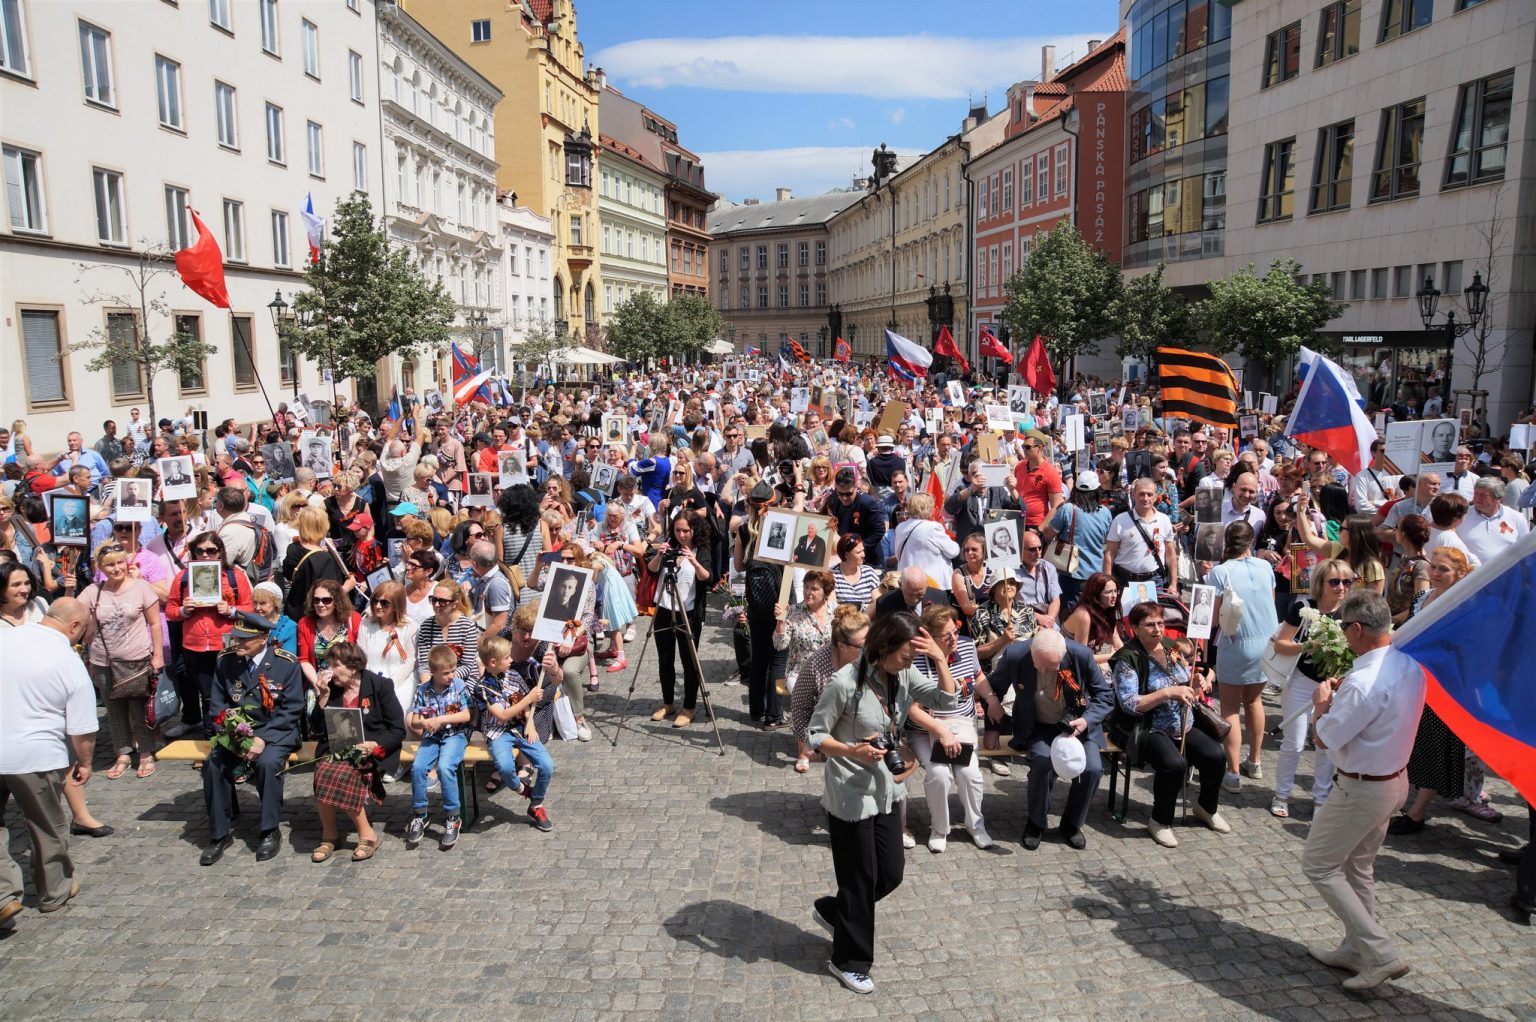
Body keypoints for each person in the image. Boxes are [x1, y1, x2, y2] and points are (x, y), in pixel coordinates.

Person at [806, 612, 957, 995]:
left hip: (888, 789)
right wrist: (852, 751)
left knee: (890, 872)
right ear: (883, 648)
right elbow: (815, 734)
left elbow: (945, 698)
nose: (909, 662)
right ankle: (848, 961)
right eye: (905, 655)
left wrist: (939, 659)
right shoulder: (844, 684)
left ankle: (836, 912)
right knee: (859, 881)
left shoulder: (903, 675)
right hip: (851, 794)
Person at [1302, 590, 1425, 991]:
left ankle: (1381, 952)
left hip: (1363, 787)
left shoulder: (1364, 682)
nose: (1343, 634)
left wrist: (1322, 705)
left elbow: (1325, 738)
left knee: (1319, 864)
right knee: (1358, 867)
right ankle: (1356, 949)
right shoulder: (1407, 663)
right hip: (1392, 780)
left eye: (1344, 628)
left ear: (1357, 629)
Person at [1, 599, 97, 924]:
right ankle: (54, 891)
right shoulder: (67, 660)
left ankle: (2, 895)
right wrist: (84, 763)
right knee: (46, 825)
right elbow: (83, 728)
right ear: (74, 628)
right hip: (35, 754)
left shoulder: (7, 636)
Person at [1110, 601, 1228, 848]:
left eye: (1160, 623)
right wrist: (1167, 693)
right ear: (1134, 628)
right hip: (1146, 726)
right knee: (1174, 765)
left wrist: (1196, 682)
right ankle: (1160, 821)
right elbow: (1130, 703)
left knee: (1215, 755)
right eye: (1150, 624)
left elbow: (1184, 680)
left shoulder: (1168, 646)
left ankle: (1206, 807)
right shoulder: (1127, 659)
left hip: (1182, 720)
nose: (1157, 629)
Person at [200, 612, 305, 866]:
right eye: (236, 637)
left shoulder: (285, 663)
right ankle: (219, 834)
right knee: (212, 765)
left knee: (268, 764)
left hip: (276, 731)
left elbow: (292, 710)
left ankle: (269, 830)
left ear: (263, 639)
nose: (238, 643)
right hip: (236, 732)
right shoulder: (225, 661)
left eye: (245, 639)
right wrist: (236, 737)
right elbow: (217, 706)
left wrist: (262, 739)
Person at [995, 628, 1112, 850]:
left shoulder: (1081, 655)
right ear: (1031, 651)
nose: (1046, 672)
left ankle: (1071, 824)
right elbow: (993, 689)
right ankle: (1036, 822)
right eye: (1040, 666)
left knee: (1092, 769)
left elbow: (1104, 696)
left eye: (1052, 667)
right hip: (1037, 725)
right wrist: (992, 729)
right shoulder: (1015, 655)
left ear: (1064, 653)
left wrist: (1087, 720)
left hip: (1077, 725)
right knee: (1042, 762)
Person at [1386, 548, 1475, 835]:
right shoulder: (1423, 598)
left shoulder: (1463, 605)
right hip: (1414, 679)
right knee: (1411, 741)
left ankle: (1416, 813)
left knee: (1435, 746)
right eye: (1434, 568)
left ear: (1460, 574)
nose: (1435, 573)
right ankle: (1406, 800)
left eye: (1444, 570)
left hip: (1444, 684)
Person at [1267, 558, 1354, 818]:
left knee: (1326, 746)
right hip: (1301, 683)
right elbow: (1281, 644)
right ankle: (1281, 794)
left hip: (1334, 686)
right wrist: (1309, 646)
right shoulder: (1303, 607)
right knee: (1293, 743)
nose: (1341, 587)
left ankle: (1320, 798)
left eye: (1347, 582)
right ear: (1321, 583)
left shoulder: (1351, 612)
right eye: (1335, 581)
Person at [904, 605, 994, 852]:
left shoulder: (966, 646)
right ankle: (939, 828)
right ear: (930, 638)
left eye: (955, 631)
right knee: (939, 773)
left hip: (961, 723)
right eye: (946, 635)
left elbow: (977, 676)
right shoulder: (915, 660)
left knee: (969, 773)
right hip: (925, 728)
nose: (954, 638)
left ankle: (975, 825)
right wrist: (941, 731)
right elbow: (912, 709)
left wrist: (992, 698)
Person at [305, 640, 404, 863]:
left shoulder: (380, 686)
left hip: (372, 751)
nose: (329, 671)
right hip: (337, 749)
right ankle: (330, 834)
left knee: (344, 774)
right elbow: (316, 729)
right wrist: (321, 697)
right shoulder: (331, 690)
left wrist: (374, 744)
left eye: (335, 665)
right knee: (323, 770)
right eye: (328, 664)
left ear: (353, 666)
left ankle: (366, 834)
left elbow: (397, 729)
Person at [79, 544, 164, 779]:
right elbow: (73, 614)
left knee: (138, 708)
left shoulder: (141, 588)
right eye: (110, 564)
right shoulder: (92, 591)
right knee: (114, 710)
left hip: (135, 659)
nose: (116, 568)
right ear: (100, 567)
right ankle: (123, 753)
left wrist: (157, 655)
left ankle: (146, 752)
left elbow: (155, 623)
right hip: (103, 659)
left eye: (120, 563)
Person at [1206, 520, 1279, 791]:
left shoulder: (1220, 572)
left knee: (1229, 709)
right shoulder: (1265, 566)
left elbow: (1213, 618)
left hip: (1237, 643)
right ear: (1251, 541)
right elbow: (1270, 603)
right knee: (1254, 701)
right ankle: (1256, 761)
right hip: (1266, 641)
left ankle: (1233, 772)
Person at [165, 532, 254, 738]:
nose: (205, 555)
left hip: (226, 644)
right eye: (200, 551)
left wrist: (231, 610)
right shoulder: (183, 577)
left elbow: (250, 608)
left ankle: (236, 737)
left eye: (211, 551)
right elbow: (170, 610)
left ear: (220, 553)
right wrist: (183, 611)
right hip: (195, 646)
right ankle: (211, 740)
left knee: (233, 693)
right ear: (193, 553)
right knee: (207, 696)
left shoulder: (234, 576)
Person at [646, 511, 713, 728]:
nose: (682, 535)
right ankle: (668, 703)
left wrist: (694, 562)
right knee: (665, 659)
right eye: (678, 530)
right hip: (664, 609)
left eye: (686, 530)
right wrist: (659, 555)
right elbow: (651, 570)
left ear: (694, 531)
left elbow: (707, 578)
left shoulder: (700, 550)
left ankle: (689, 707)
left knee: (689, 661)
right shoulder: (669, 547)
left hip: (689, 612)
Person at [404, 644, 473, 850]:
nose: (451, 675)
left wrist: (441, 719)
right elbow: (414, 720)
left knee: (444, 768)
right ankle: (420, 814)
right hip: (432, 736)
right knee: (418, 767)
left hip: (455, 734)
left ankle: (453, 816)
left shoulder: (459, 686)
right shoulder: (422, 691)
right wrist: (423, 723)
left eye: (453, 670)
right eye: (446, 673)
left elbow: (467, 715)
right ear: (432, 672)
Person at [789, 604, 869, 775]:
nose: (869, 649)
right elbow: (800, 706)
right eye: (863, 646)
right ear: (842, 646)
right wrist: (808, 741)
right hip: (828, 731)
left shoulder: (872, 661)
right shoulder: (817, 664)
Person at [774, 570, 836, 769]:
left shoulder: (836, 611)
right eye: (806, 587)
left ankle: (831, 746)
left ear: (825, 592)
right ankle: (804, 751)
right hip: (799, 671)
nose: (808, 592)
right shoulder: (793, 611)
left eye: (814, 588)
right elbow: (779, 645)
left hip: (830, 671)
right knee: (804, 703)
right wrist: (780, 622)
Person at [1043, 474, 1113, 608]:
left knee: (1071, 615)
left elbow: (1049, 534)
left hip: (1070, 573)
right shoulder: (1105, 512)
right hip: (1096, 573)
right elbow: (1105, 539)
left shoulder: (1068, 509)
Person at [1103, 478, 1178, 591]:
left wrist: (1173, 584)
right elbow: (1109, 554)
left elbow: (1170, 553)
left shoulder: (1164, 520)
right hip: (1124, 580)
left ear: (1155, 496)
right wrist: (1108, 582)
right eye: (1141, 494)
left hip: (1154, 581)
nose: (1145, 498)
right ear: (1133, 495)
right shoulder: (1120, 520)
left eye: (1149, 494)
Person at [890, 493, 958, 591]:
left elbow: (898, 554)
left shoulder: (900, 527)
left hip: (908, 581)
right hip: (932, 583)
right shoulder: (933, 527)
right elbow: (953, 551)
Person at [1457, 476, 1528, 564]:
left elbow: (1525, 549)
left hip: (1504, 574)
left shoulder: (1516, 517)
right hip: (1472, 574)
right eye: (1476, 493)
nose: (1477, 499)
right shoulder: (1461, 515)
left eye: (1483, 495)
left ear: (1498, 498)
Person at [943, 459, 1017, 542]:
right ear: (969, 477)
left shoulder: (997, 491)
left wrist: (1013, 490)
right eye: (975, 474)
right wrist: (971, 489)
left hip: (991, 543)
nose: (980, 476)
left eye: (983, 473)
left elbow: (1019, 510)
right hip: (969, 545)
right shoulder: (962, 491)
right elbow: (949, 507)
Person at [1061, 572, 1124, 667]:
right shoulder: (1083, 616)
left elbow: (1116, 640)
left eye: (1115, 591)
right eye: (1108, 592)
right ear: (1096, 595)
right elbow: (1081, 656)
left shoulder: (1109, 609)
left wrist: (1126, 654)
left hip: (1095, 651)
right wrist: (1113, 655)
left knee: (1115, 653)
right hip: (1071, 660)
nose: (1114, 595)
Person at [832, 533, 881, 610]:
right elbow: (832, 606)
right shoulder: (832, 576)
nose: (863, 555)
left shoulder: (868, 572)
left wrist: (864, 618)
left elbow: (878, 602)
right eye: (858, 552)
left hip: (866, 619)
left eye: (863, 551)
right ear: (846, 555)